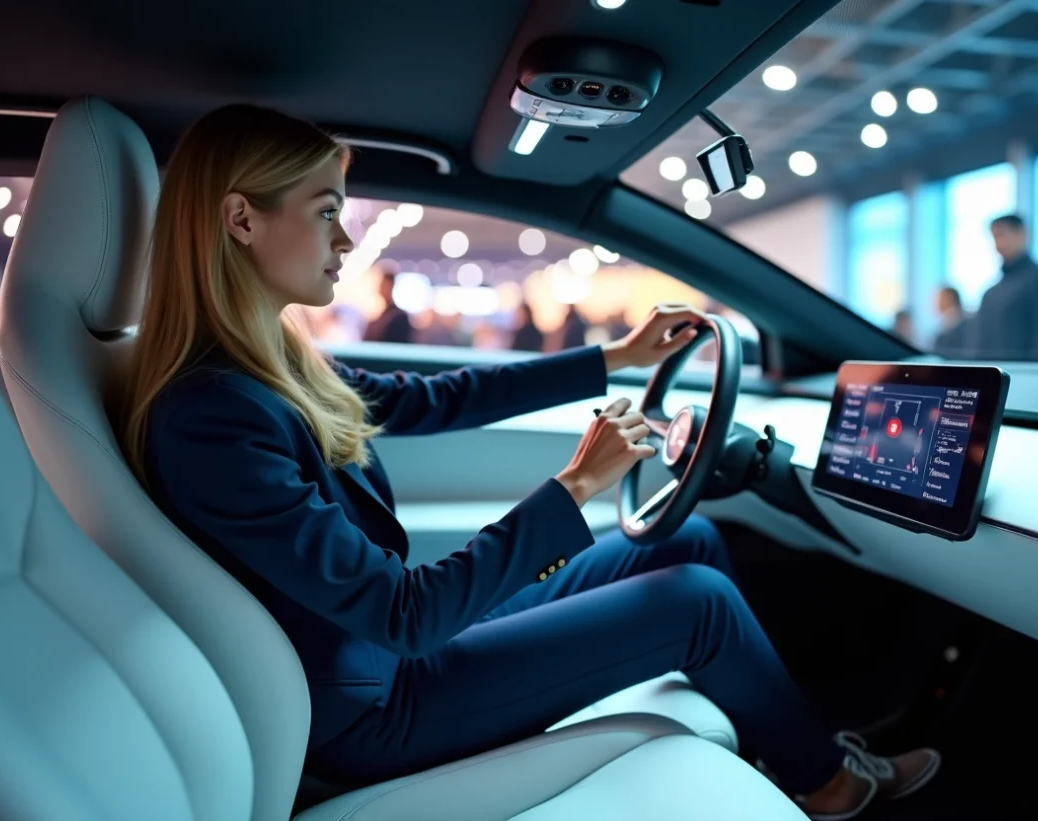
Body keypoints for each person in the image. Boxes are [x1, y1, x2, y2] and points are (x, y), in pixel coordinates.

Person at [120, 104, 939, 820]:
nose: (345, 239)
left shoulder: (277, 366)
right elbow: (402, 613)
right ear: (241, 221)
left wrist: (610, 357)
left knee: (683, 543)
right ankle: (826, 785)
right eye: (327, 212)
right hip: (378, 706)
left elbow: (434, 397)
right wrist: (578, 483)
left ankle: (791, 745)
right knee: (700, 601)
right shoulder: (213, 416)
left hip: (388, 654)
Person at [970, 214, 1038, 360]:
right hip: (993, 378)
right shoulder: (991, 293)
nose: (998, 244)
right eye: (995, 237)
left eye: (1002, 235)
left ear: (1022, 234)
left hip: (1026, 377)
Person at [362, 267, 412, 344]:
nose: (380, 287)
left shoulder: (398, 316)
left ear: (390, 286)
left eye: (383, 284)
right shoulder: (383, 314)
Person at [932, 286, 970, 358]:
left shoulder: (963, 326)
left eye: (942, 299)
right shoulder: (944, 325)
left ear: (951, 299)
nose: (938, 303)